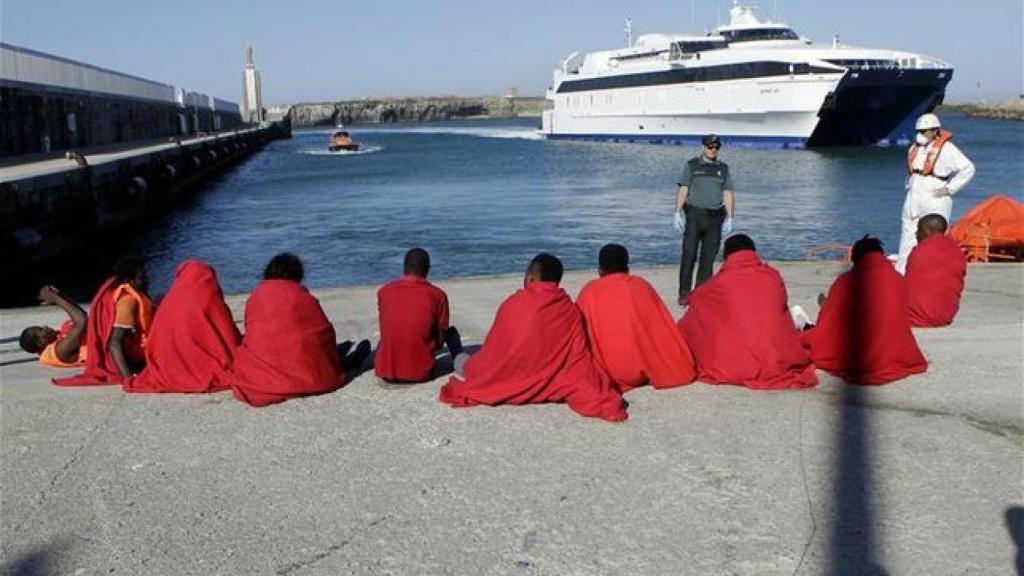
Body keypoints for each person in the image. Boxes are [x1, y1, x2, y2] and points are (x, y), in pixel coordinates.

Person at [438, 253, 627, 422]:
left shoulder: (514, 303)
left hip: (507, 373)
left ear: (531, 277)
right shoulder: (568, 308)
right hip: (552, 377)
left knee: (465, 364)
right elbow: (578, 354)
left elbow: (495, 350)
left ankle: (456, 349)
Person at [228, 253, 370, 407]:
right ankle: (351, 357)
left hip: (266, 375)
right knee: (335, 362)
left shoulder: (256, 296)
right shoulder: (302, 297)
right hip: (309, 376)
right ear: (298, 275)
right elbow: (324, 333)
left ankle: (343, 354)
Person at [678, 235, 818, 390]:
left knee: (697, 319)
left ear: (727, 256)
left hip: (736, 364)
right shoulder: (772, 276)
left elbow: (696, 300)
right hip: (777, 358)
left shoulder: (719, 283)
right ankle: (801, 322)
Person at [801, 236, 928, 385]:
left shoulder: (847, 281)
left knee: (808, 335)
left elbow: (828, 327)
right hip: (897, 354)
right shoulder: (897, 279)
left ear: (856, 259)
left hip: (860, 355)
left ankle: (823, 304)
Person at [576, 243, 696, 393]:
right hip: (645, 366)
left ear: (600, 270)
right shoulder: (640, 285)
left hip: (609, 370)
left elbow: (579, 336)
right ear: (627, 269)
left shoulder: (589, 291)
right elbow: (661, 327)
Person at [124, 260, 241, 394]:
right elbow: (228, 335)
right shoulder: (209, 299)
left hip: (167, 364)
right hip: (202, 362)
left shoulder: (169, 301)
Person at [54, 256, 155, 386]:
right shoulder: (127, 301)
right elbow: (114, 342)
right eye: (142, 277)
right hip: (137, 354)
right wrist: (128, 379)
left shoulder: (135, 293)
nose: (147, 280)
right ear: (129, 280)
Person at [896, 113, 975, 274]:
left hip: (935, 192)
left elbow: (968, 168)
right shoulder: (914, 148)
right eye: (919, 130)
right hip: (914, 194)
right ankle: (902, 271)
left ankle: (934, 270)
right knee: (907, 234)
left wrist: (950, 188)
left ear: (934, 131)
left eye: (925, 131)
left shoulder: (947, 149)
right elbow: (912, 172)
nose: (921, 134)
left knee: (935, 235)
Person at [375, 248, 463, 384]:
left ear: (404, 267)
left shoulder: (384, 292)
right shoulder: (437, 295)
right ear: (427, 269)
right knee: (451, 332)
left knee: (391, 334)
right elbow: (440, 337)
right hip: (421, 373)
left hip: (386, 373)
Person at [674, 133, 736, 306]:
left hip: (716, 217)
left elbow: (728, 193)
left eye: (716, 147)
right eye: (710, 146)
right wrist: (677, 212)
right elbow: (683, 189)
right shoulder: (692, 166)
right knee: (689, 255)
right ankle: (684, 293)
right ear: (703, 147)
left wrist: (731, 217)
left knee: (708, 259)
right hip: (694, 215)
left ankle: (701, 293)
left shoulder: (723, 168)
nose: (713, 150)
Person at [905, 214, 968, 327]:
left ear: (929, 230)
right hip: (944, 317)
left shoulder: (920, 251)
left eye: (919, 230)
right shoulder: (957, 252)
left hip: (914, 318)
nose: (916, 234)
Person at [19, 285, 88, 368]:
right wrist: (56, 299)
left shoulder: (59, 336)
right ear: (40, 342)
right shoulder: (60, 351)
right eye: (41, 330)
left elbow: (82, 316)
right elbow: (81, 320)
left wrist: (59, 295)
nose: (45, 327)